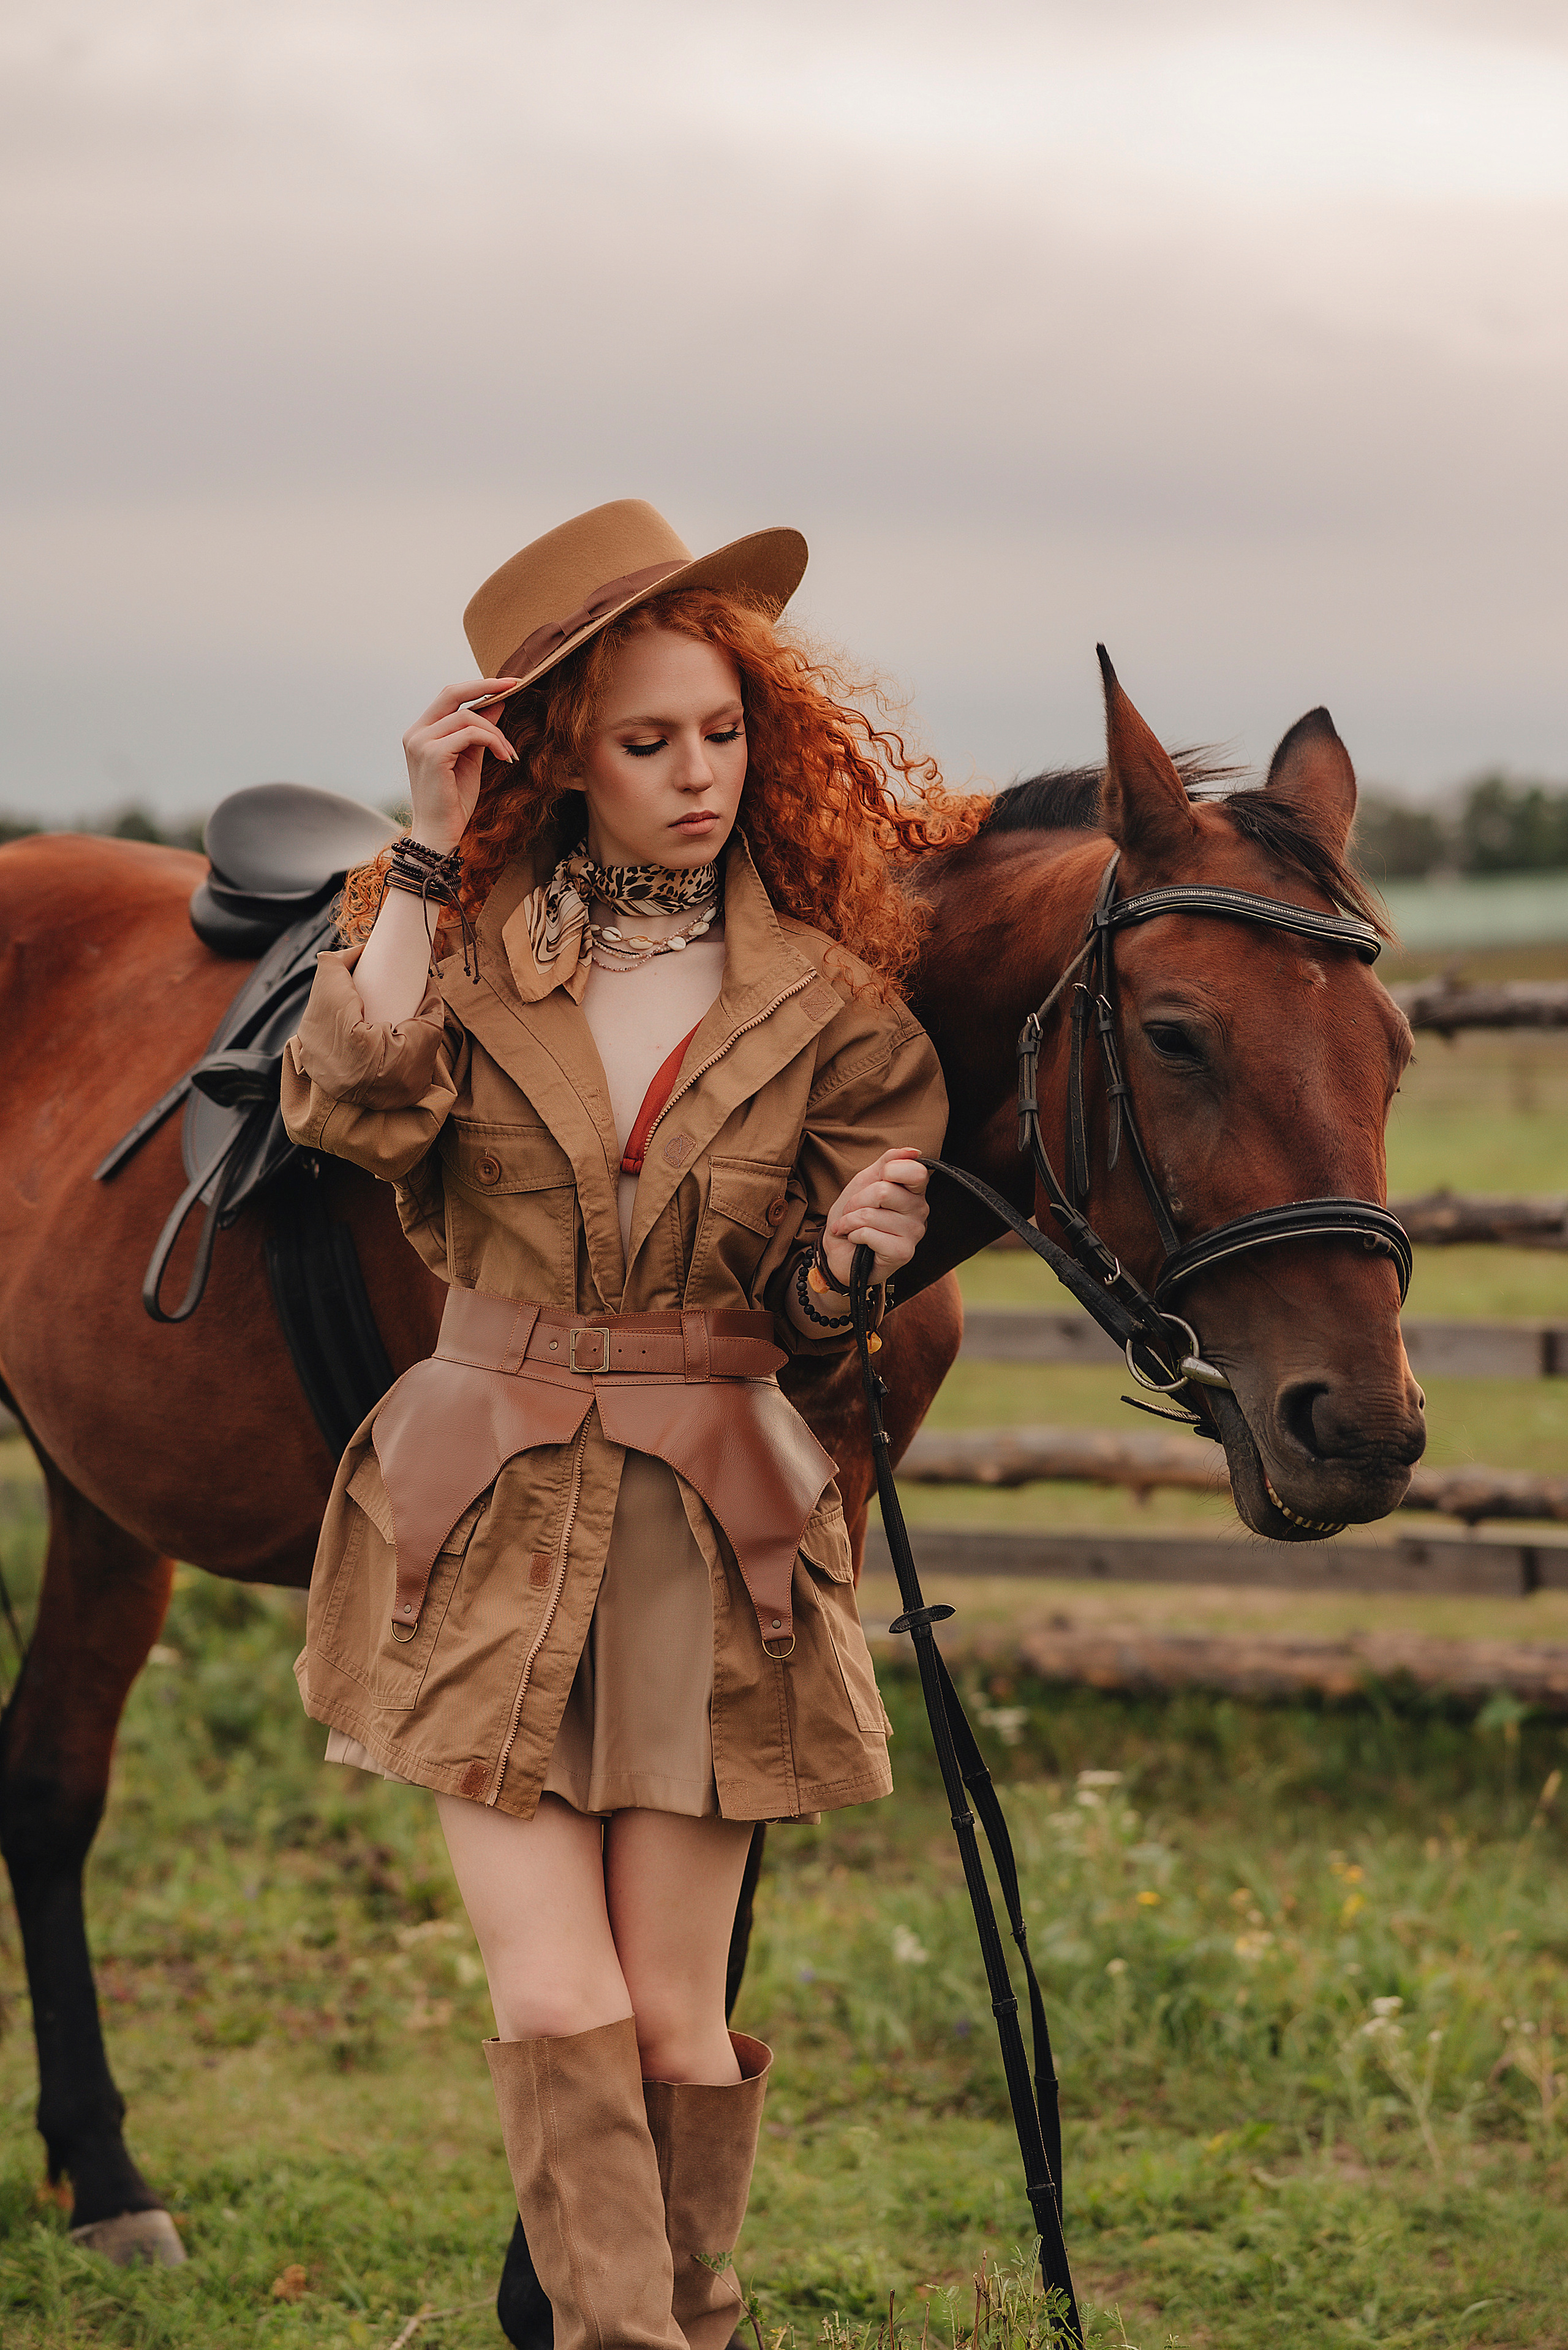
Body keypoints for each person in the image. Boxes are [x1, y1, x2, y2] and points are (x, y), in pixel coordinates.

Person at [281, 500, 979, 2350]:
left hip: (707, 1528)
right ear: (558, 755)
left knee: (675, 2023)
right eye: (648, 739)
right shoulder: (446, 943)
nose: (700, 775)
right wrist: (427, 860)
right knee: (553, 1992)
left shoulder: (831, 1003)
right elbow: (348, 1119)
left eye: (725, 734)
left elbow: (829, 1334)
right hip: (478, 1513)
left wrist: (847, 1267)